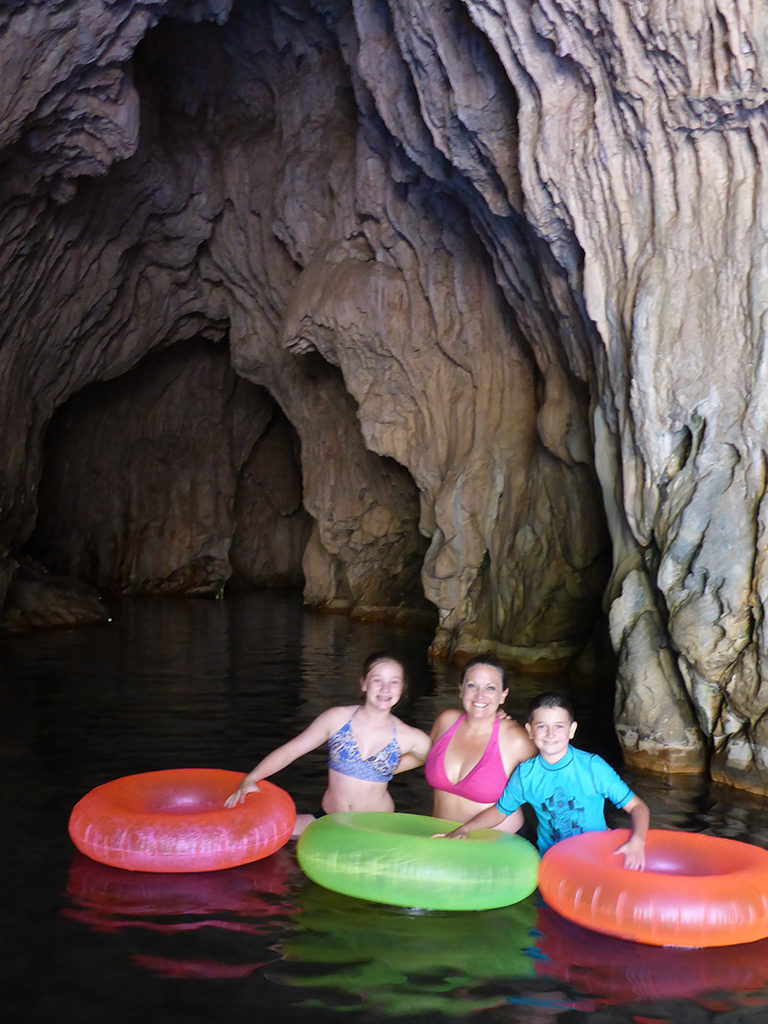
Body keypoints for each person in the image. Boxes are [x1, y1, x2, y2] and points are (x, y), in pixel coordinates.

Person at [225, 651, 431, 835]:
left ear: (402, 688)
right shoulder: (336, 719)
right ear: (364, 683)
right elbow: (292, 750)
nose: (385, 689)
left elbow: (428, 761)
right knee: (265, 833)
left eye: (394, 682)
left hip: (376, 827)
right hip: (328, 818)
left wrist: (388, 769)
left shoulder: (411, 737)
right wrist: (252, 777)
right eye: (377, 680)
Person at [438, 691, 649, 869]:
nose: (550, 734)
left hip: (594, 860)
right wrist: (464, 829)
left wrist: (637, 842)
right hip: (551, 863)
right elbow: (499, 812)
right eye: (541, 726)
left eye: (558, 726)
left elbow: (638, 807)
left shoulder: (593, 767)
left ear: (572, 730)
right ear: (529, 731)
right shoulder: (526, 774)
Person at [420, 654, 537, 834]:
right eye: (472, 685)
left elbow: (550, 780)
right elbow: (420, 756)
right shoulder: (445, 722)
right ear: (461, 689)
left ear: (503, 695)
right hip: (444, 840)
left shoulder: (515, 739)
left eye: (490, 688)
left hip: (501, 846)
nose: (479, 696)